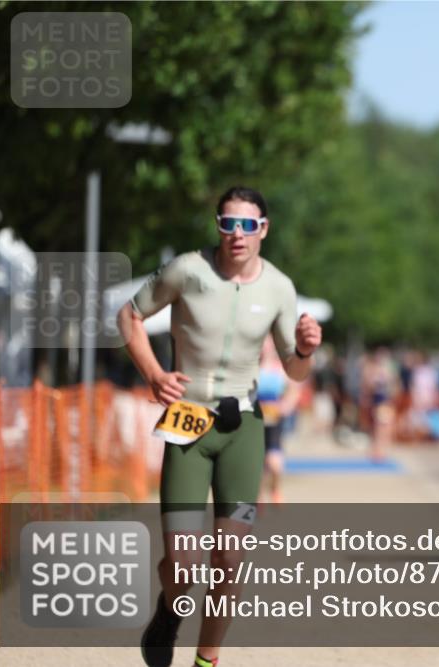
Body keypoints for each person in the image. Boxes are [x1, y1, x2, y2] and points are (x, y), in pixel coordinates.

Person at [117, 186, 321, 667]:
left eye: (248, 225)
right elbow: (129, 315)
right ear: (218, 227)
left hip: (242, 426)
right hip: (188, 421)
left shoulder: (279, 288)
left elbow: (294, 369)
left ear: (264, 230)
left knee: (229, 559)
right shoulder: (188, 270)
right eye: (228, 223)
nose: (237, 234)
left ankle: (206, 660)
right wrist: (155, 375)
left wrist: (308, 349)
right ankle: (170, 609)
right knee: (183, 565)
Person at [256, 336, 302, 504]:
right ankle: (258, 496)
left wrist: (285, 406)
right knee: (257, 462)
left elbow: (294, 390)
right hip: (254, 420)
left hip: (275, 420)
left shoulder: (281, 369)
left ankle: (275, 488)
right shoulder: (251, 368)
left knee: (274, 462)